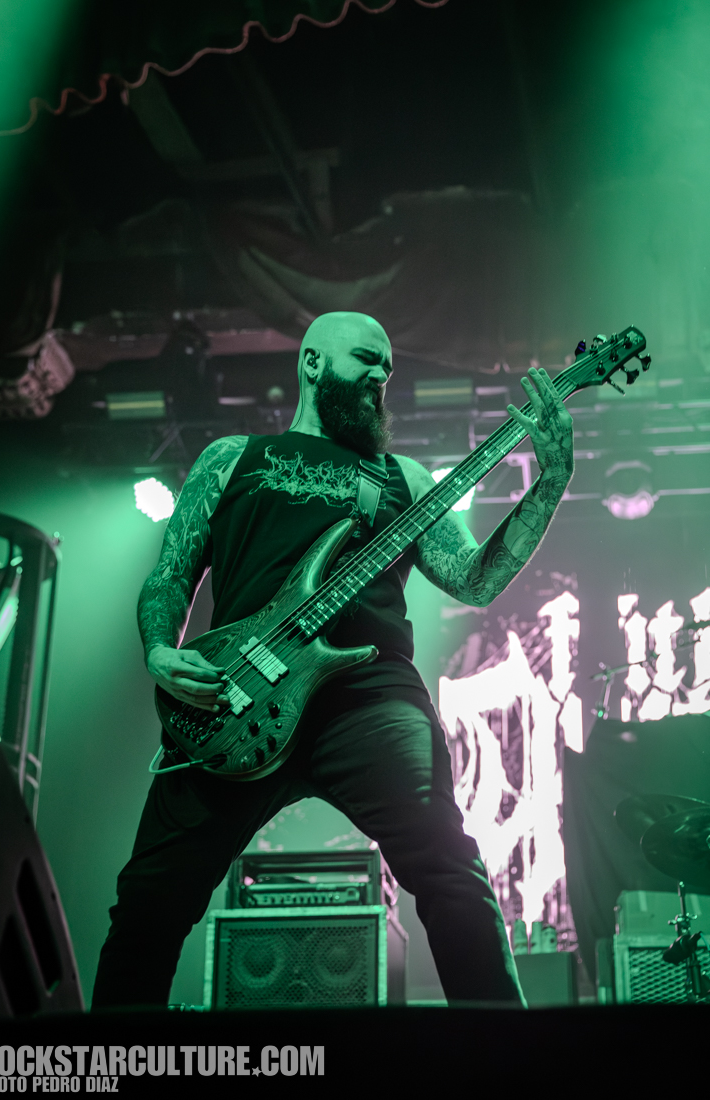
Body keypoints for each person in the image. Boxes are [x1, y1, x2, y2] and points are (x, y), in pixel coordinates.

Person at [92, 311, 574, 1009]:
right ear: (312, 362)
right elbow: (169, 576)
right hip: (236, 702)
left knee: (447, 870)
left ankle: (506, 1061)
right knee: (148, 901)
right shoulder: (233, 459)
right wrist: (161, 652)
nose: (380, 374)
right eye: (365, 359)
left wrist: (548, 483)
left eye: (388, 365)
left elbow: (475, 579)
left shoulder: (403, 477)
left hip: (368, 698)